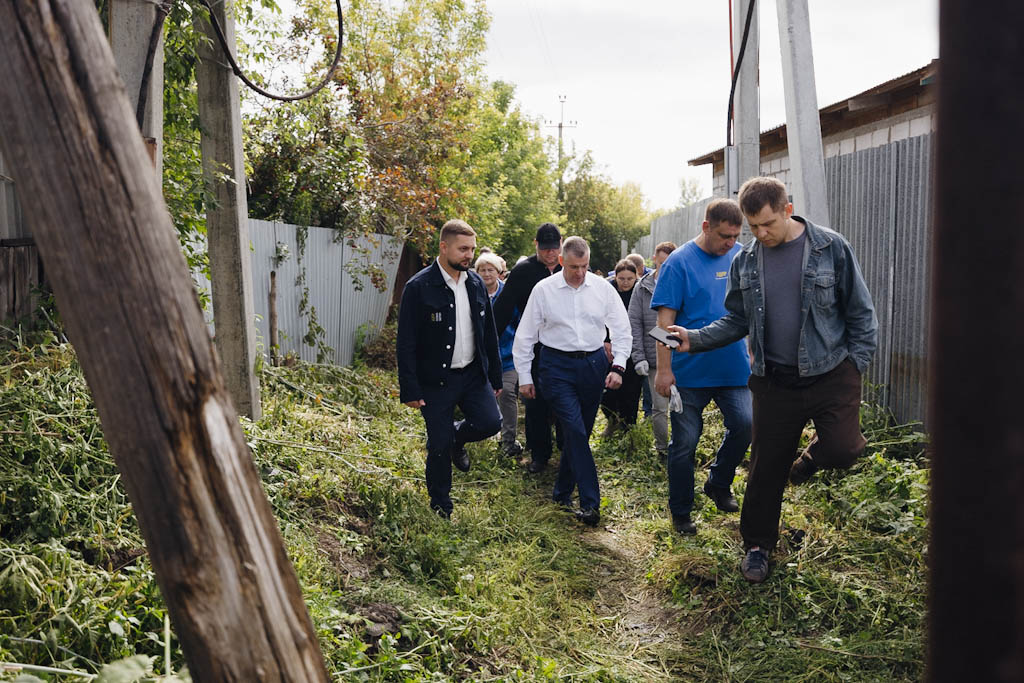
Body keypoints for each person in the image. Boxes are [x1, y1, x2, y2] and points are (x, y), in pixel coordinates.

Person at [665, 177, 877, 583]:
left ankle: (808, 461)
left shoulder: (831, 248)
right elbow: (736, 320)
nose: (761, 234)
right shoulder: (746, 260)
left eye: (768, 224)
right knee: (765, 469)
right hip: (775, 380)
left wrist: (856, 366)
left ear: (787, 209)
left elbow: (861, 313)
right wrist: (694, 338)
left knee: (843, 449)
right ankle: (758, 546)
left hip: (831, 373)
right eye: (753, 227)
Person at [513, 237, 633, 526]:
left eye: (584, 266)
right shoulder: (544, 290)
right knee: (575, 431)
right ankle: (591, 502)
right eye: (573, 267)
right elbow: (525, 335)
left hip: (593, 364)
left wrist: (618, 366)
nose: (579, 273)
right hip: (556, 366)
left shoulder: (603, 288)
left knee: (581, 432)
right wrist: (525, 376)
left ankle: (562, 493)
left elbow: (622, 329)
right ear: (561, 262)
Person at [652, 200, 752, 538]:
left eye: (736, 236)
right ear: (706, 226)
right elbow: (663, 324)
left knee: (746, 424)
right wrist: (663, 370)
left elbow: (751, 312)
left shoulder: (741, 256)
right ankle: (681, 511)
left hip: (733, 368)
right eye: (724, 235)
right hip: (689, 373)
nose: (730, 242)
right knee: (685, 443)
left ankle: (718, 482)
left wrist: (754, 354)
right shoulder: (678, 263)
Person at [396, 220, 503, 518]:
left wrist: (495, 375)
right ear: (444, 247)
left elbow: (488, 333)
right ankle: (441, 505)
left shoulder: (475, 283)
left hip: (472, 374)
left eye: (472, 249)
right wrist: (410, 388)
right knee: (439, 446)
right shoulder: (419, 287)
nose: (469, 255)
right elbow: (406, 342)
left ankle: (456, 436)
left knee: (490, 423)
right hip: (435, 380)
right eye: (463, 249)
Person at [493, 223, 563, 473]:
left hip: (564, 347)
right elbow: (502, 311)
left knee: (563, 401)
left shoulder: (571, 268)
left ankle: (566, 449)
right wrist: (488, 343)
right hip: (534, 346)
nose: (550, 254)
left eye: (554, 248)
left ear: (561, 245)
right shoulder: (523, 272)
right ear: (536, 245)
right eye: (545, 249)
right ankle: (539, 454)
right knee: (534, 401)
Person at [628, 240, 677, 459]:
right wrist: (638, 356)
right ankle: (663, 450)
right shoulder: (642, 287)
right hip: (654, 357)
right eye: (661, 262)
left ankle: (681, 448)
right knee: (659, 408)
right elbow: (634, 322)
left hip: (680, 357)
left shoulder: (681, 283)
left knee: (682, 407)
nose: (664, 267)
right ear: (654, 259)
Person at [475, 252, 522, 457]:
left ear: (499, 272)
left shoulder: (508, 294)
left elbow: (519, 323)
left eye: (490, 270)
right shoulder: (472, 293)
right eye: (482, 270)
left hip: (507, 357)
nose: (486, 274)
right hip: (480, 358)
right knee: (482, 395)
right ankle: (484, 434)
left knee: (507, 392)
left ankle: (508, 440)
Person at [600, 259, 642, 436]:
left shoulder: (640, 293)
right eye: (621, 278)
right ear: (615, 277)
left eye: (629, 279)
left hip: (633, 347)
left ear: (636, 277)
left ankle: (628, 430)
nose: (625, 283)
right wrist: (606, 339)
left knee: (630, 391)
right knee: (607, 392)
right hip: (610, 347)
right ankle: (612, 420)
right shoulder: (607, 291)